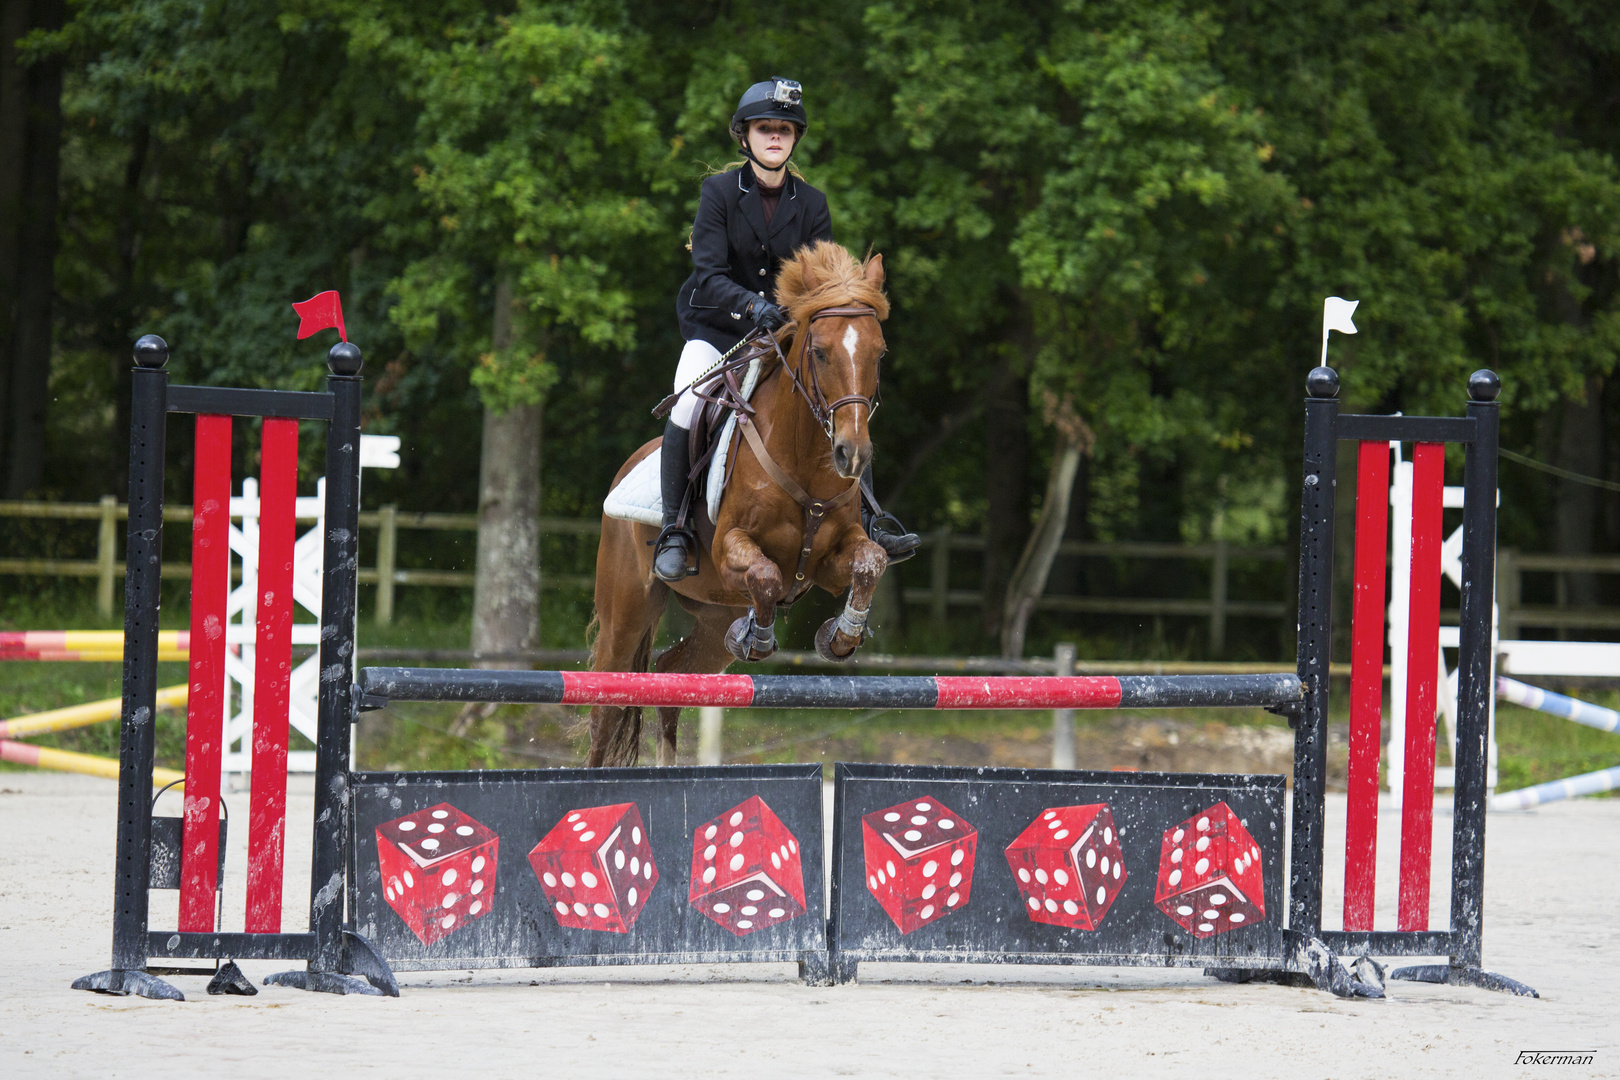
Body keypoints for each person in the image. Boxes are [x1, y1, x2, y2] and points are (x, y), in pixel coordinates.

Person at [654, 76, 920, 583]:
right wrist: (754, 308)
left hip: (785, 333)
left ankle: (869, 517)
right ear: (745, 136)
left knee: (844, 391)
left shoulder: (812, 203)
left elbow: (825, 279)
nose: (774, 136)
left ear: (794, 138)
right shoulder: (718, 194)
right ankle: (675, 528)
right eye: (764, 128)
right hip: (716, 327)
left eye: (784, 129)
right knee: (688, 402)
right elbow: (708, 276)